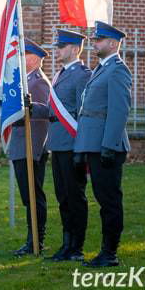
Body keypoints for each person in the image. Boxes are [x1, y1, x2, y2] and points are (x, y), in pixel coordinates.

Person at [74, 21, 131, 267]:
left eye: (99, 40)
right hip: (93, 144)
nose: (94, 43)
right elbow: (87, 112)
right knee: (102, 197)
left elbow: (119, 111)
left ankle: (110, 253)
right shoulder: (101, 69)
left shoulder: (117, 70)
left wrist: (109, 145)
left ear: (113, 43)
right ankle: (106, 251)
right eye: (95, 40)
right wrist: (81, 147)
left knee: (109, 201)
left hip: (107, 146)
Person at [46, 29, 91, 262]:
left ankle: (76, 247)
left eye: (62, 46)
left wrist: (81, 147)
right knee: (62, 196)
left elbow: (83, 113)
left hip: (72, 144)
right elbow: (54, 110)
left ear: (74, 49)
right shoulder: (59, 74)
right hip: (58, 143)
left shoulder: (82, 75)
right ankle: (66, 244)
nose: (58, 50)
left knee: (75, 197)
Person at [9, 38, 51, 256]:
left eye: (24, 55)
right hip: (21, 145)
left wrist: (34, 151)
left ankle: (35, 241)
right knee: (28, 197)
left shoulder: (38, 82)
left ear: (34, 59)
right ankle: (31, 240)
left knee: (34, 197)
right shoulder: (25, 81)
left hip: (30, 148)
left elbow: (42, 118)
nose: (20, 58)